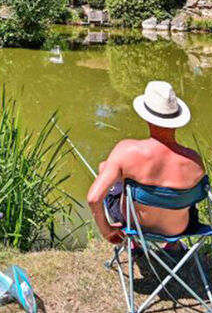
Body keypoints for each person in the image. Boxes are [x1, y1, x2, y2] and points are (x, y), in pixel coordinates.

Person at [87, 80, 205, 243]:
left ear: (146, 117)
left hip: (135, 226)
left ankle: (134, 242)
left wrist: (107, 231)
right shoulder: (195, 161)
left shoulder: (126, 150)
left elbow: (94, 198)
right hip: (179, 229)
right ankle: (173, 245)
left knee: (106, 169)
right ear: (176, 119)